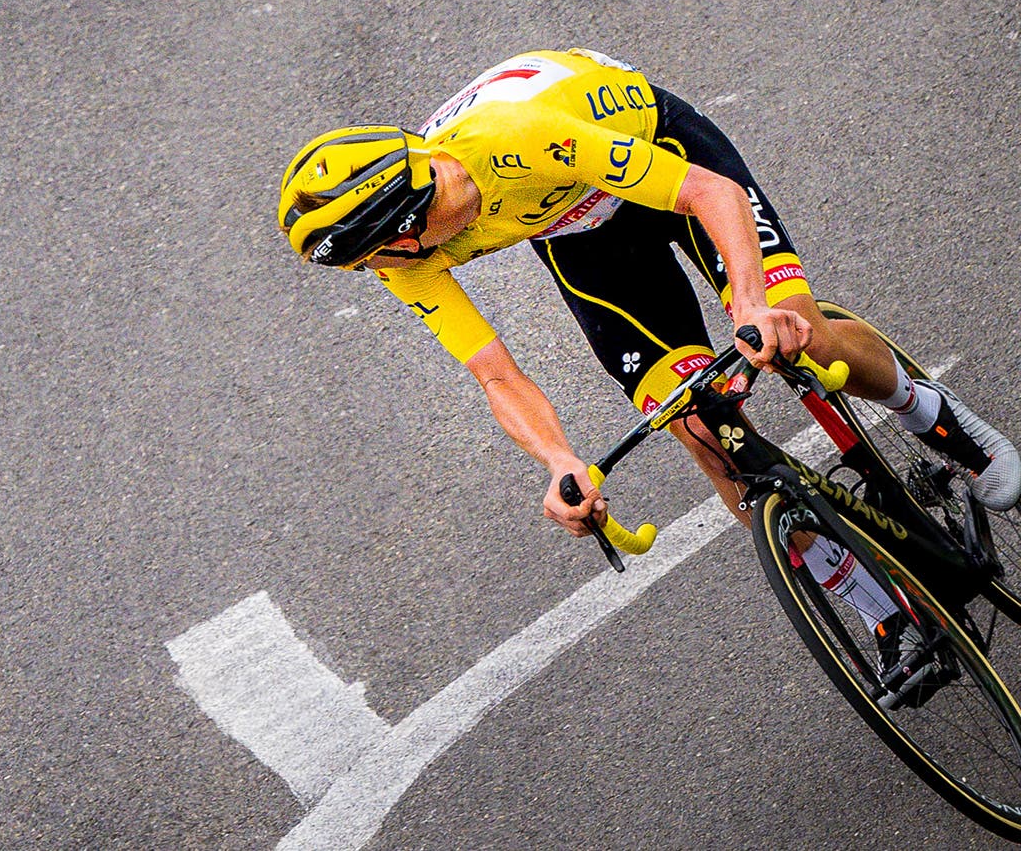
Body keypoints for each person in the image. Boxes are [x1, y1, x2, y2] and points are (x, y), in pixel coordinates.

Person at [277, 47, 1018, 650]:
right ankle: (875, 607)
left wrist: (753, 306)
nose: (376, 272)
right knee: (696, 419)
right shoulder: (411, 258)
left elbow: (710, 196)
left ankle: (933, 414)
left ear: (401, 229)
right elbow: (495, 374)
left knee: (798, 333)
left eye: (370, 257)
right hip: (579, 231)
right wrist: (561, 461)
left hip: (664, 158)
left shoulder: (517, 140)